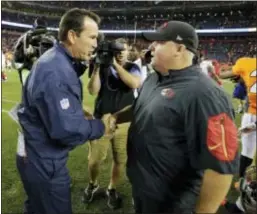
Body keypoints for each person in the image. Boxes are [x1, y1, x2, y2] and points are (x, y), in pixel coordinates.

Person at [111, 20, 239, 213]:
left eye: (159, 42)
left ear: (179, 49)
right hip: (145, 189)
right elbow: (143, 107)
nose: (151, 47)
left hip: (174, 203)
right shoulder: (155, 78)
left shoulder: (205, 94)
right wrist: (116, 117)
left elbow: (220, 166)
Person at [16, 8, 112, 214]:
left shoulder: (55, 59)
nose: (96, 43)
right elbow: (66, 131)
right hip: (43, 159)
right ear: (72, 36)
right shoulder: (55, 71)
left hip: (34, 153)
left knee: (37, 207)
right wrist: (99, 126)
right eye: (92, 37)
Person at [84, 38, 142, 209]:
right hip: (102, 119)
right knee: (94, 160)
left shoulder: (133, 67)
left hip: (124, 121)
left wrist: (115, 65)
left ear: (128, 51)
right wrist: (96, 69)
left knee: (120, 159)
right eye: (116, 52)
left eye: (122, 51)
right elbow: (93, 90)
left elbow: (134, 83)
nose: (120, 54)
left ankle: (112, 188)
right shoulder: (101, 66)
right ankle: (93, 184)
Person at [220, 54, 256, 187]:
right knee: (248, 150)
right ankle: (243, 181)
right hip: (252, 115)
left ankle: (242, 181)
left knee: (247, 150)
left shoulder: (246, 62)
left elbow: (223, 74)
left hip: (252, 113)